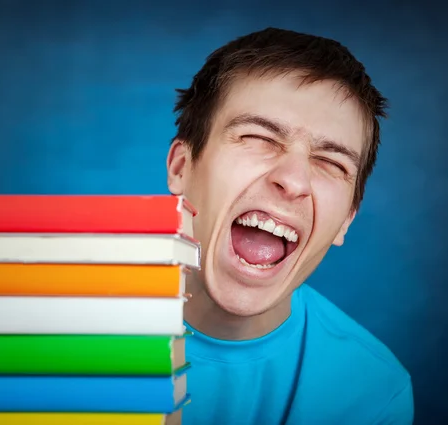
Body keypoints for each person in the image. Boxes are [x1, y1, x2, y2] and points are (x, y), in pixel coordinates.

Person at [165, 27, 414, 424]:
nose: (294, 181)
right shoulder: (55, 323)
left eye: (332, 163)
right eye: (259, 137)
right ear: (181, 167)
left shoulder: (373, 395)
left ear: (345, 221)